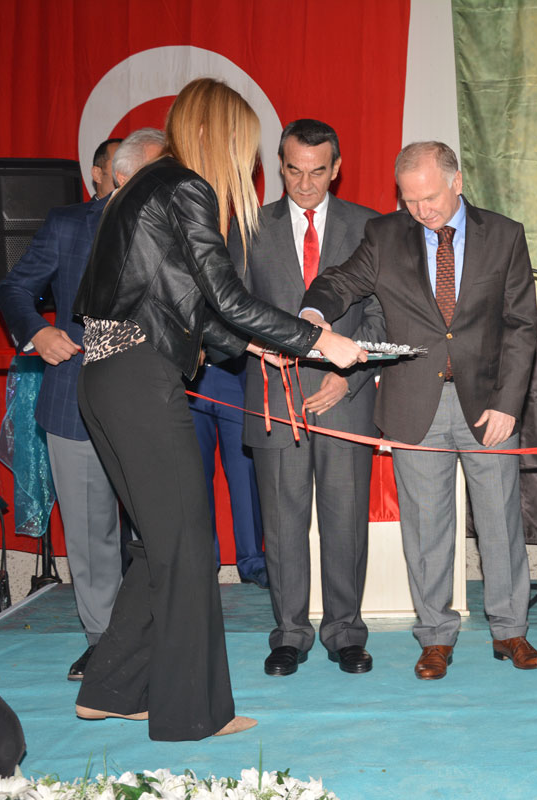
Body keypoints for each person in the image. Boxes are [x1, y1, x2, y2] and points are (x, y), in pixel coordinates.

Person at [70, 78, 365, 740]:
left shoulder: (143, 187)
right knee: (186, 547)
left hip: (107, 377)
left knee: (160, 544)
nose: (248, 159)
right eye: (245, 143)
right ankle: (193, 714)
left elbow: (182, 302)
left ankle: (111, 689)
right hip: (141, 380)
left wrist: (257, 346)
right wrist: (319, 340)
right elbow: (226, 296)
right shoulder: (184, 187)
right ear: (216, 134)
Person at [301, 141, 537, 680]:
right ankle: (435, 636)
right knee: (426, 526)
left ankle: (511, 630)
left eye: (430, 197)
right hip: (415, 403)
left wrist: (509, 403)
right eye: (409, 200)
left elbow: (522, 325)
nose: (421, 210)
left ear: (457, 182)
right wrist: (314, 314)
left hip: (489, 404)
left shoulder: (504, 235)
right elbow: (340, 281)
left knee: (500, 522)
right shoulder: (385, 235)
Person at [0, 127, 163, 681]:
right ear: (118, 174)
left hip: (152, 401)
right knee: (91, 538)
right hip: (73, 400)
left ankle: (159, 636)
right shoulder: (68, 225)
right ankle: (103, 643)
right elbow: (14, 289)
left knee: (159, 530)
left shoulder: (176, 225)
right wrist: (37, 332)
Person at [231, 119, 383, 677]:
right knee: (283, 525)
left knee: (345, 522)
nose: (305, 183)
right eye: (294, 170)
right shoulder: (249, 228)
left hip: (346, 397)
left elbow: (383, 312)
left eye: (317, 171)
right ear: (280, 165)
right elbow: (229, 307)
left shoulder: (368, 225)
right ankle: (289, 634)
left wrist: (351, 375)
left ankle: (346, 632)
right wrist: (258, 347)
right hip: (275, 399)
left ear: (336, 169)